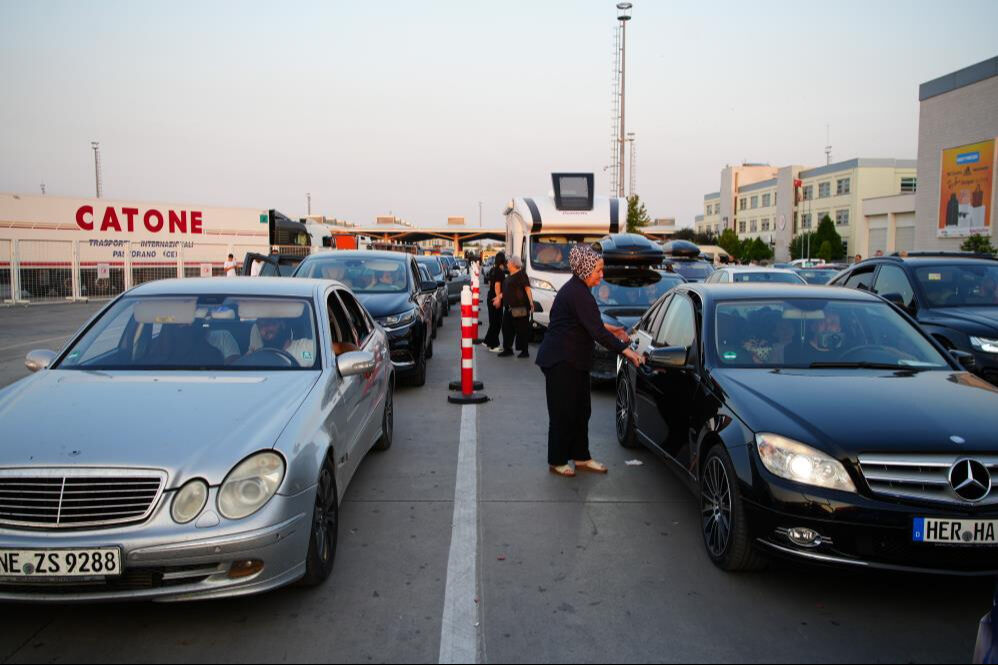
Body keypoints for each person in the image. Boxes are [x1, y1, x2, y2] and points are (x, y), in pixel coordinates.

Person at [535, 244, 644, 477]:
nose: (601, 275)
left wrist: (613, 328)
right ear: (585, 270)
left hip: (574, 362)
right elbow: (596, 331)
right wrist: (627, 351)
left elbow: (590, 322)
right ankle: (557, 460)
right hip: (561, 361)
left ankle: (581, 457)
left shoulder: (580, 291)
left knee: (581, 411)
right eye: (598, 270)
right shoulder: (576, 293)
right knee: (563, 413)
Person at [498, 256, 533, 358]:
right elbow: (506, 291)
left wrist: (531, 302)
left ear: (513, 264)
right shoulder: (509, 276)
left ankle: (524, 351)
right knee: (506, 328)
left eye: (508, 262)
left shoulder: (521, 274)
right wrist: (499, 298)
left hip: (520, 307)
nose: (507, 264)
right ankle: (508, 349)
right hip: (509, 308)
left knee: (522, 329)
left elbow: (527, 289)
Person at [247, 318, 316, 367]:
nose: (264, 332)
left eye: (268, 324)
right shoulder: (257, 357)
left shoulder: (306, 347)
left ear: (282, 324)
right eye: (261, 327)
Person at [483, 252, 508, 352]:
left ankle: (489, 343)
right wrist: (498, 298)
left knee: (493, 321)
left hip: (490, 296)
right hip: (495, 298)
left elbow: (490, 283)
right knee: (497, 322)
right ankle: (492, 345)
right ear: (503, 260)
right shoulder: (499, 272)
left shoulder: (493, 270)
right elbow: (497, 285)